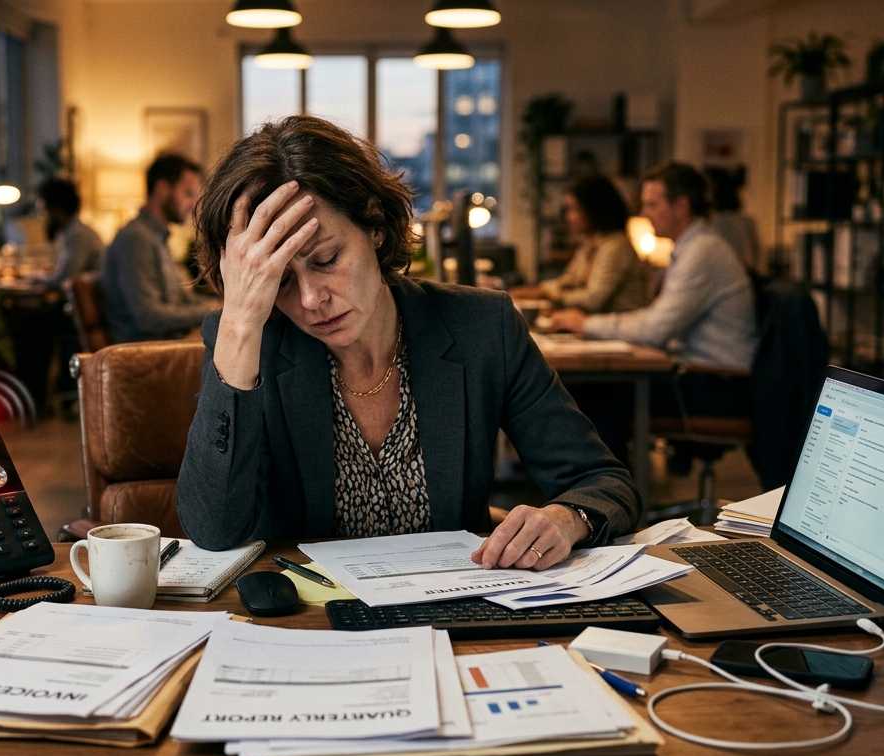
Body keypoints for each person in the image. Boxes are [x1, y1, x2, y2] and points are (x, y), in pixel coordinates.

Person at [176, 115, 639, 572]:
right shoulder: (246, 344)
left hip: (453, 618)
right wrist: (238, 322)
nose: (312, 299)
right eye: (278, 281)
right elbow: (215, 529)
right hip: (312, 626)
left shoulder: (482, 327)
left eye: (327, 259)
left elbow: (603, 480)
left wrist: (566, 517)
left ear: (374, 226)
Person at [552, 162, 758, 466]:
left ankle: (609, 501)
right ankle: (601, 495)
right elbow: (657, 320)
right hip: (703, 376)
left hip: (717, 384)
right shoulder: (692, 248)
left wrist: (588, 324)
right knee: (592, 392)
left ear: (681, 206)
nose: (644, 213)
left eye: (652, 204)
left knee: (597, 398)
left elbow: (656, 328)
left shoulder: (702, 252)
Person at [100, 154, 216, 343]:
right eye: (188, 193)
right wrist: (211, 310)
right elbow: (148, 318)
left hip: (168, 341)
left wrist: (220, 306)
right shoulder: (136, 238)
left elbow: (179, 299)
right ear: (162, 189)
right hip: (148, 352)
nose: (193, 204)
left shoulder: (155, 237)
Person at [512, 175, 648, 313]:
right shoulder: (591, 244)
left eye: (574, 209)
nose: (568, 217)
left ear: (594, 209)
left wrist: (546, 294)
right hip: (599, 328)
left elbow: (593, 299)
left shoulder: (617, 246)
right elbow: (567, 281)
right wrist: (538, 290)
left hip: (618, 331)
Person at [36, 178, 105, 288]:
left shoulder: (79, 235)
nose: (42, 217)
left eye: (43, 210)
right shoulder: (71, 232)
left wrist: (33, 279)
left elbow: (64, 279)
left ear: (56, 210)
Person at [706, 166, 761, 272]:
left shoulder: (716, 222)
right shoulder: (747, 221)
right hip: (746, 272)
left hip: (729, 273)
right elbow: (757, 253)